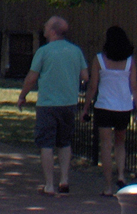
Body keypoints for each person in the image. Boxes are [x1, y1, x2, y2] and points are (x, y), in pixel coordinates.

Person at [18, 16, 88, 196]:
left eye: (47, 25)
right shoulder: (76, 51)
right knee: (65, 142)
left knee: (46, 143)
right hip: (69, 103)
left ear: (53, 31)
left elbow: (32, 78)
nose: (44, 27)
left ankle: (49, 184)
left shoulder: (44, 52)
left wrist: (22, 95)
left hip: (48, 104)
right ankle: (64, 179)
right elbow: (85, 76)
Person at [80, 26, 137, 196]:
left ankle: (108, 186)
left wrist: (86, 107)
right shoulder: (129, 61)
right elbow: (134, 86)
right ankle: (121, 174)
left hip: (104, 106)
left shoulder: (99, 59)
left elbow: (93, 86)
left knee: (106, 146)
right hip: (123, 107)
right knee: (120, 143)